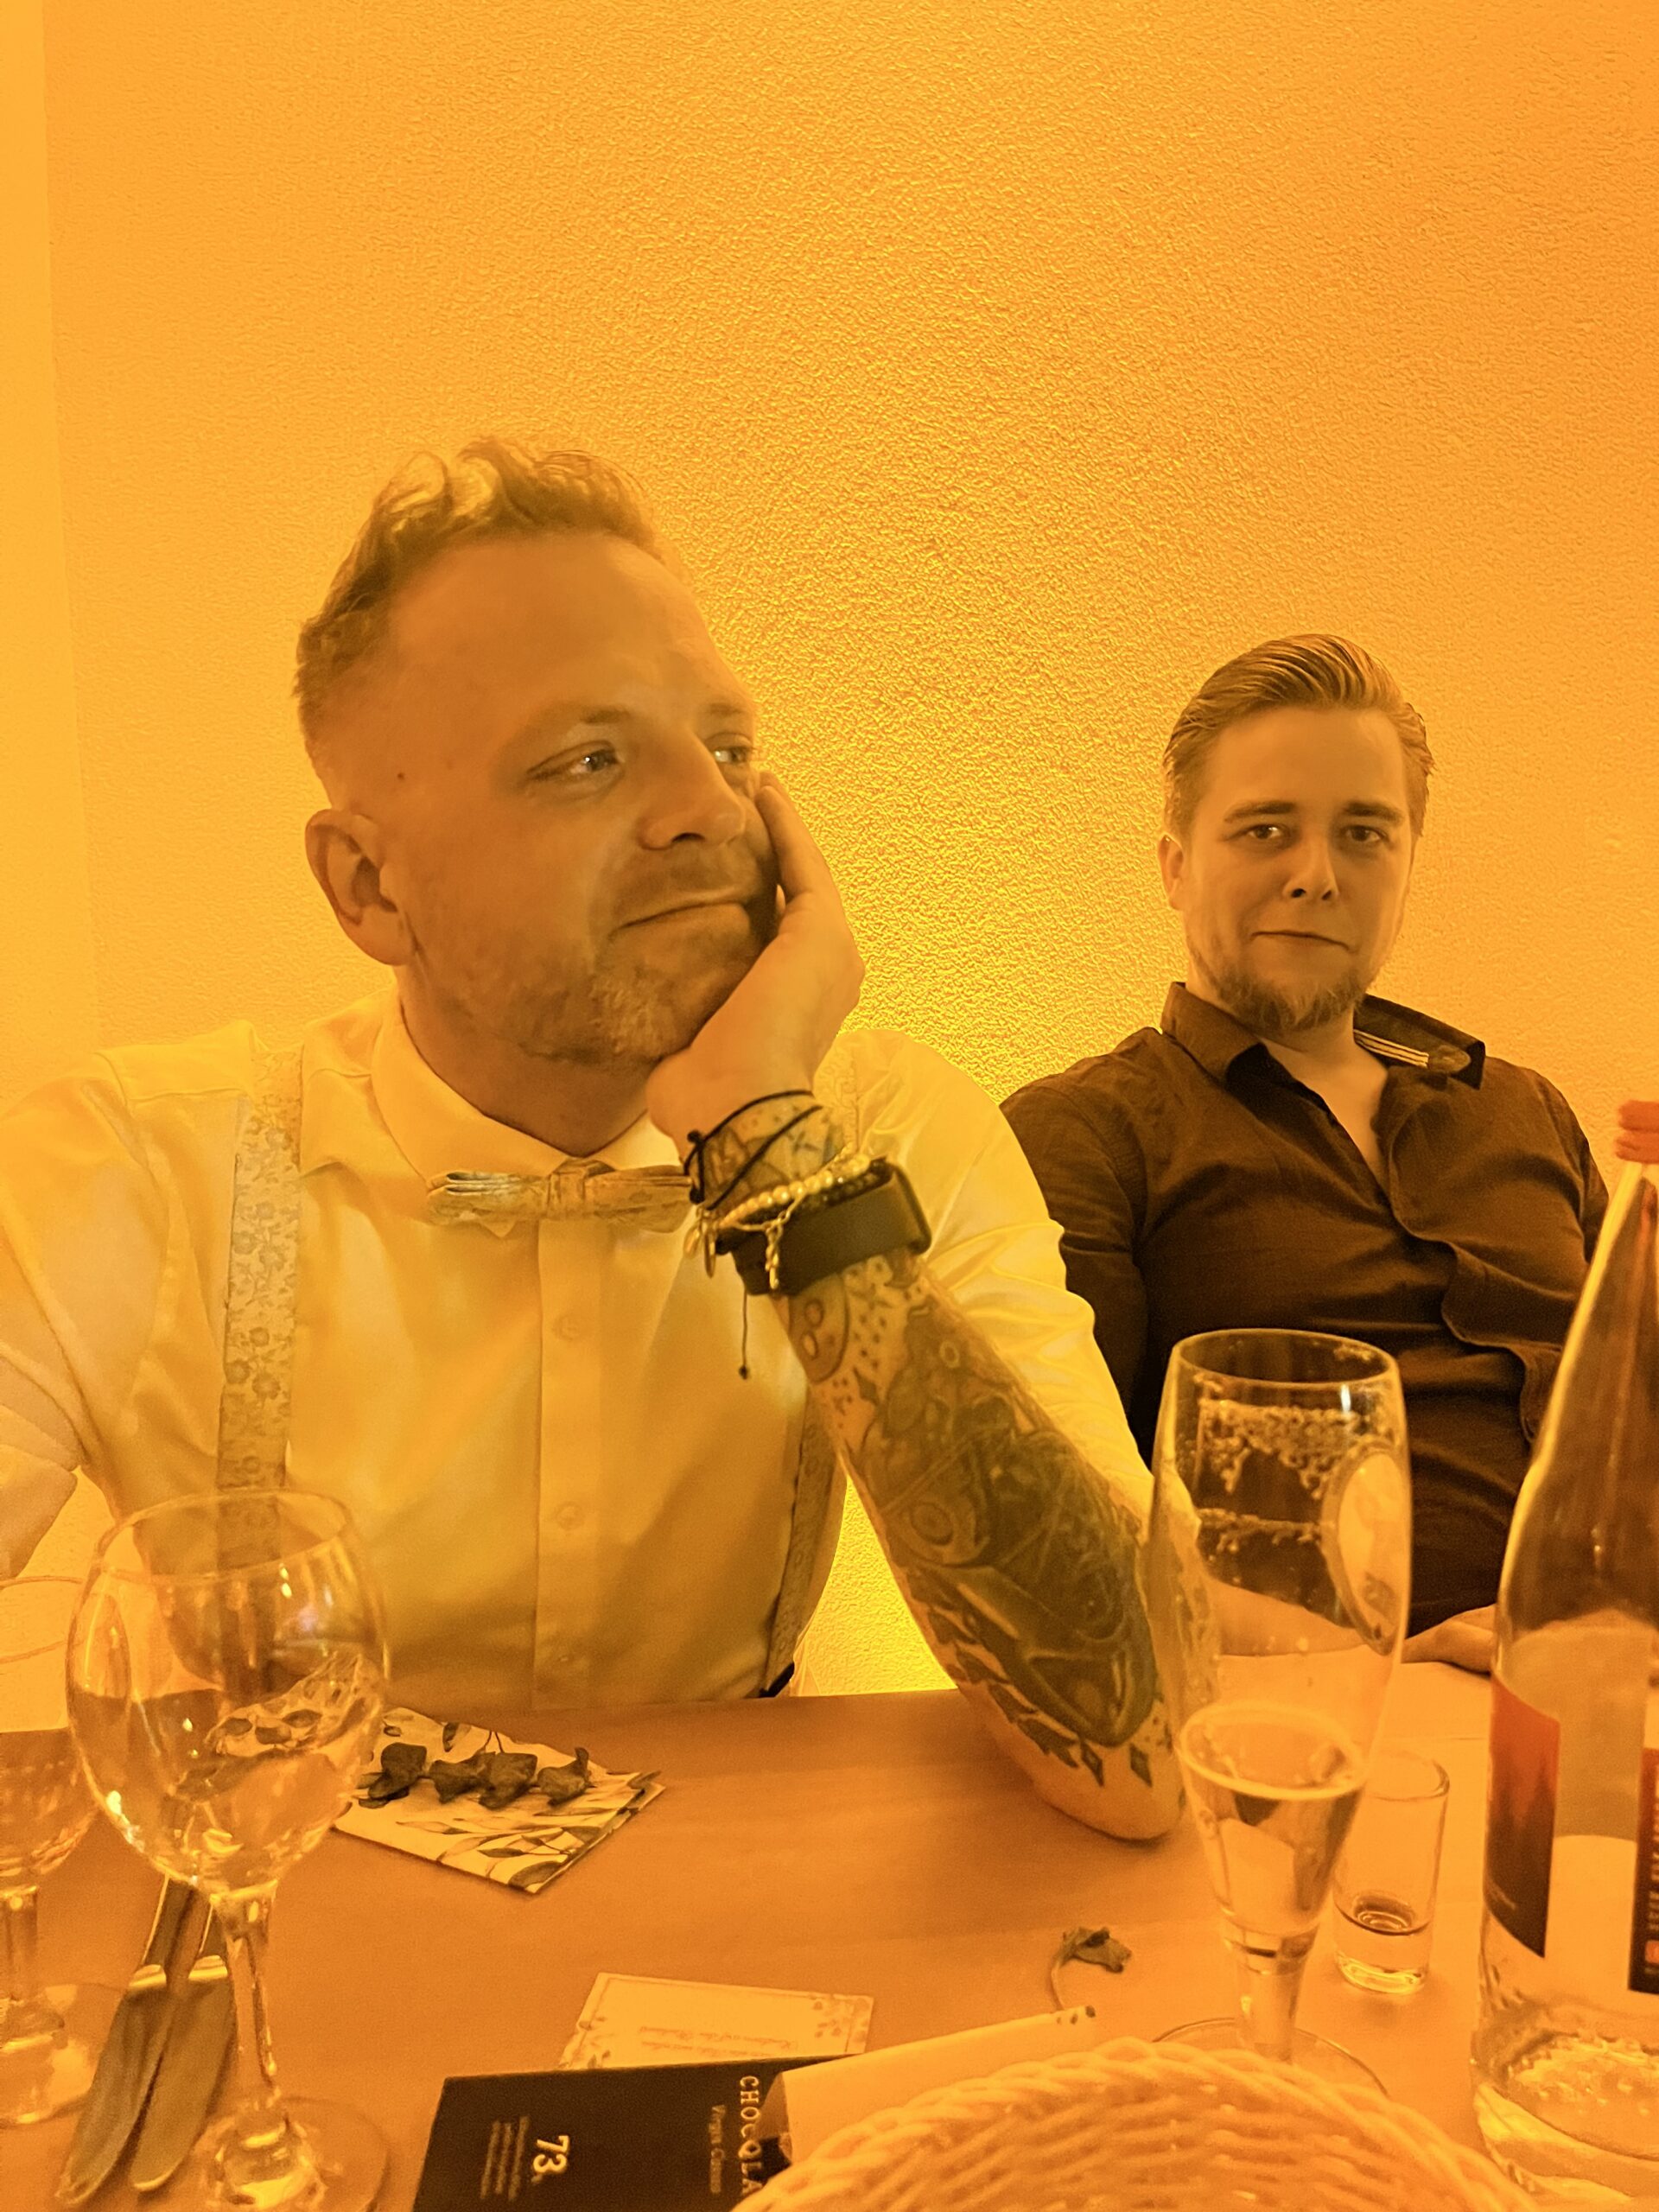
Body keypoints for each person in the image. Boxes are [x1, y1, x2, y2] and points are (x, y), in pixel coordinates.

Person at [0, 442, 1177, 1837]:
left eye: (729, 749)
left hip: (732, 1906)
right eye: (587, 761)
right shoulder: (129, 1171)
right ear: (369, 885)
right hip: (289, 1919)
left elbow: (1147, 1747)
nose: (712, 812)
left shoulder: (889, 1134)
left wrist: (778, 1155)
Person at [1004, 636, 1610, 1653]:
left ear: (1408, 866)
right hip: (1319, 1713)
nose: (1317, 875)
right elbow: (1055, 1527)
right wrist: (1381, 1665)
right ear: (1176, 867)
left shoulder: (1527, 1111)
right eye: (1266, 830)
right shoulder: (1087, 1136)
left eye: (1364, 833)